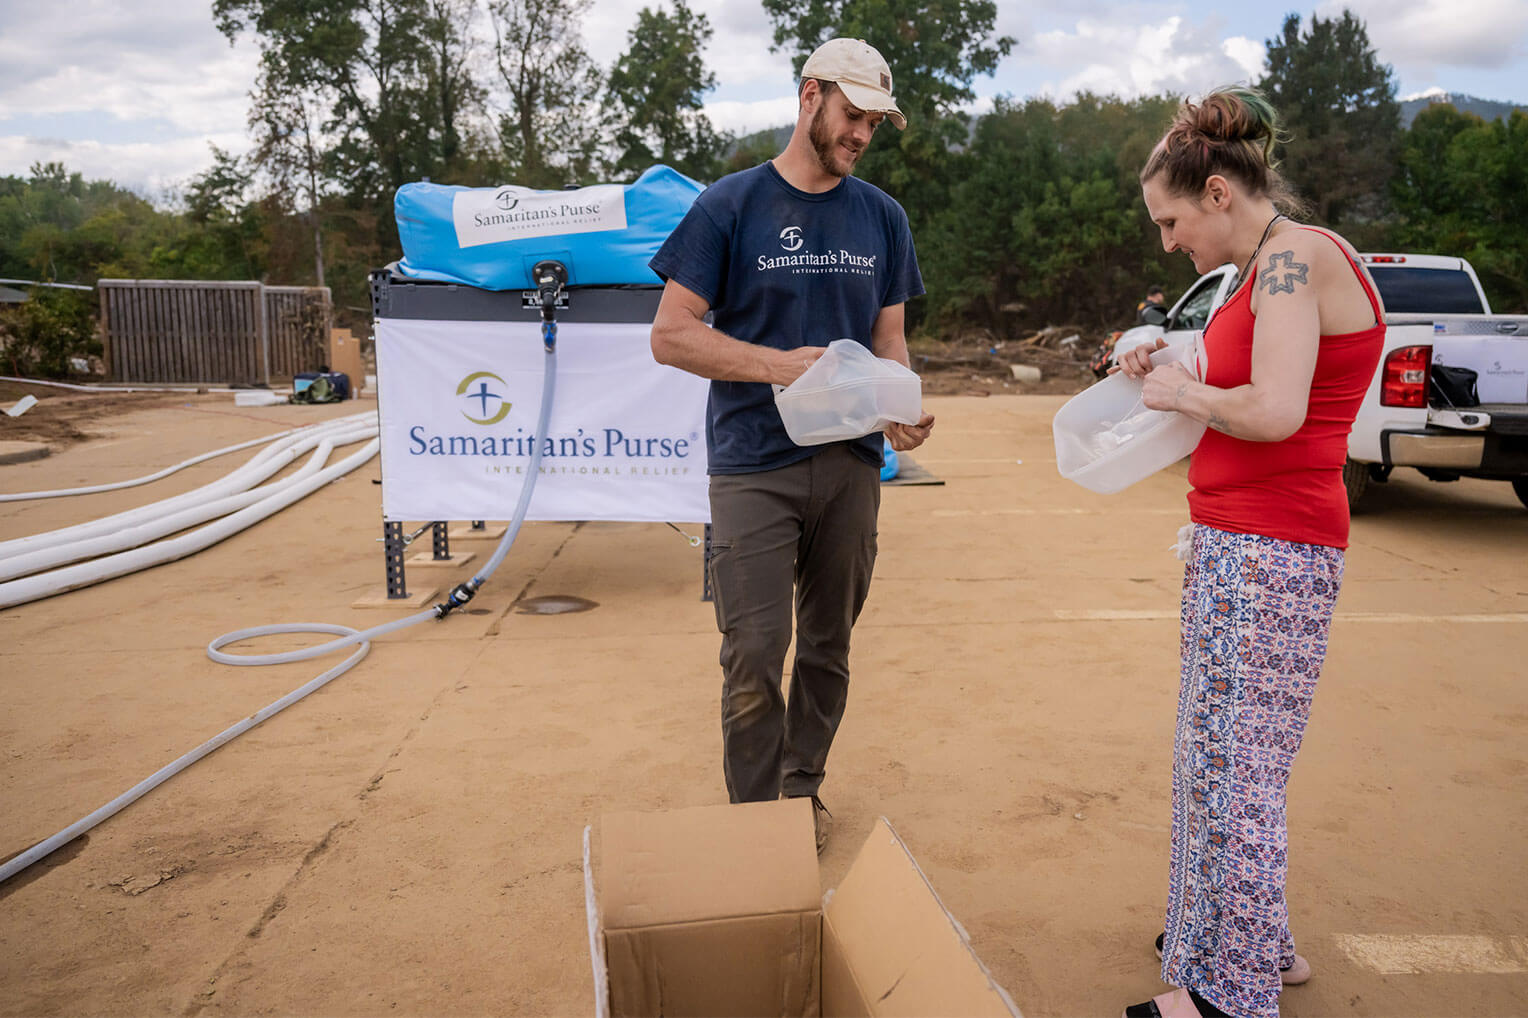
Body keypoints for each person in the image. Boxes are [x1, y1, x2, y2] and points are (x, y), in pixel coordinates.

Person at [1115, 86, 1386, 1018]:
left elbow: (1274, 412)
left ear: (1220, 192)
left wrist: (1181, 397)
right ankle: (1251, 942)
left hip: (1270, 549)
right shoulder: (1270, 265)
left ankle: (1231, 997)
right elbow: (1248, 379)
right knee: (1221, 757)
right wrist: (1167, 364)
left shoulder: (1290, 263)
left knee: (1236, 768)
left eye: (1172, 219)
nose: (1168, 242)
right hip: (1249, 541)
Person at [647, 37, 934, 852]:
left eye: (875, 123)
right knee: (754, 651)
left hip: (850, 469)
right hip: (751, 467)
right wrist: (780, 367)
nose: (863, 136)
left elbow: (891, 344)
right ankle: (753, 824)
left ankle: (800, 789)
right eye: (853, 116)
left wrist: (898, 410)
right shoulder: (729, 206)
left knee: (829, 645)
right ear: (809, 96)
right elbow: (670, 336)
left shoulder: (883, 217)